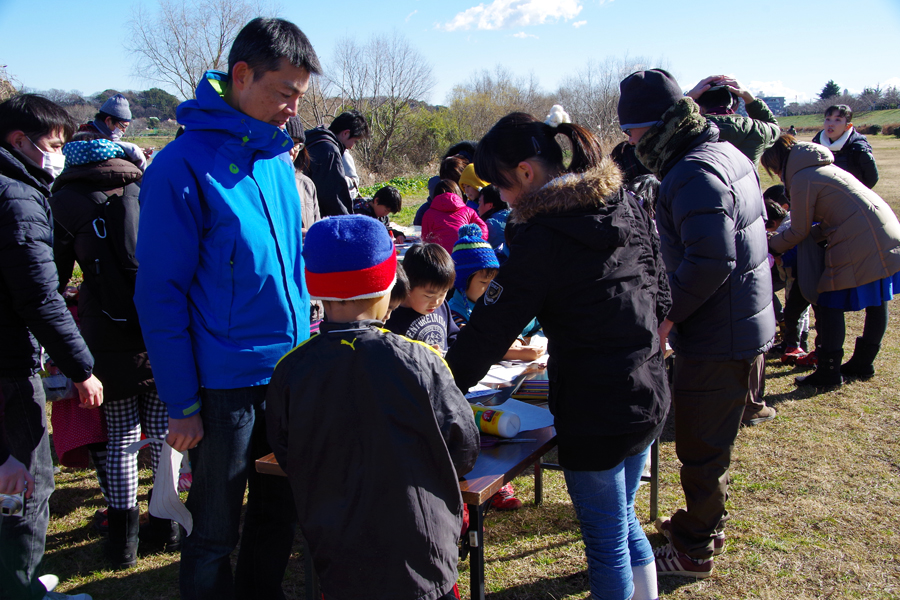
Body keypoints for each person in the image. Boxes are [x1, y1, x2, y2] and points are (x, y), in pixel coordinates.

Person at [445, 110, 670, 600]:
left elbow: (489, 330)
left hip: (598, 408)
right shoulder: (623, 201)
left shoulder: (543, 237)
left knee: (606, 545)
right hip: (647, 389)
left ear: (526, 173)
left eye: (500, 187)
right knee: (624, 519)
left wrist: (438, 385)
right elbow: (661, 291)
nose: (500, 200)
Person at [133, 17, 322, 600]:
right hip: (220, 389)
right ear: (242, 76)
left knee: (277, 511)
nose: (293, 107)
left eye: (299, 96)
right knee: (215, 528)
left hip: (285, 373)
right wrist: (182, 402)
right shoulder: (179, 168)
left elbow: (288, 268)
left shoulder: (275, 160)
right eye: (285, 92)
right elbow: (158, 294)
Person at [266, 215, 480, 600]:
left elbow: (287, 451)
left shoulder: (291, 369)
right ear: (387, 285)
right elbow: (462, 447)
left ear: (317, 290)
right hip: (422, 548)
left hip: (338, 547)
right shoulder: (422, 360)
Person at [617, 69, 775, 577]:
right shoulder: (724, 148)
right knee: (711, 442)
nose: (631, 143)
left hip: (718, 332)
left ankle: (692, 551)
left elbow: (710, 261)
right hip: (738, 321)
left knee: (701, 448)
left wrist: (667, 318)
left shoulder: (692, 172)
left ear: (656, 127)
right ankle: (703, 524)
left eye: (633, 132)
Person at [50, 136, 176, 569]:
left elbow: (54, 274)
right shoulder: (149, 185)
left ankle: (124, 542)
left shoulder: (66, 200)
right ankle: (168, 525)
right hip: (159, 328)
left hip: (106, 334)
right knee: (162, 433)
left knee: (121, 439)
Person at [0, 93, 103, 600]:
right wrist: (81, 367)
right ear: (20, 141)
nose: (59, 153)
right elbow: (39, 297)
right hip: (6, 366)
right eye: (54, 143)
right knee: (25, 481)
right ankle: (21, 590)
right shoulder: (17, 198)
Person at [762, 135, 900, 386]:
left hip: (858, 237)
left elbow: (799, 230)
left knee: (829, 300)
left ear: (780, 164)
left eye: (775, 171)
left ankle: (828, 371)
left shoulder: (803, 177)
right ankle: (862, 363)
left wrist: (769, 245)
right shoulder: (824, 167)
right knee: (878, 299)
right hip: (884, 230)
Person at [684, 75, 781, 165]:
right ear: (736, 105)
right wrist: (749, 97)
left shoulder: (687, 130)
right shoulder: (755, 130)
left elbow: (670, 123)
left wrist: (686, 98)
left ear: (700, 108)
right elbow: (774, 127)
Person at [385, 243, 460, 352]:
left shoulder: (441, 306)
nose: (436, 301)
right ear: (408, 286)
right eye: (428, 296)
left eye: (443, 293)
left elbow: (452, 336)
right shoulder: (392, 318)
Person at [305, 110, 369, 217]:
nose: (352, 146)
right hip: (314, 215)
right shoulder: (329, 150)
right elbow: (333, 195)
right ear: (345, 133)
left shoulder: (312, 139)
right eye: (355, 141)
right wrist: (347, 222)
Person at [811, 104, 878, 188]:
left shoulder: (858, 149)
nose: (831, 124)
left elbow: (871, 179)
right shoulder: (815, 145)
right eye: (828, 119)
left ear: (848, 126)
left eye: (837, 120)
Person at [421, 179, 488, 254]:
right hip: (463, 253)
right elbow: (483, 229)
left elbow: (425, 240)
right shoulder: (468, 211)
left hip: (440, 256)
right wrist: (475, 244)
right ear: (458, 194)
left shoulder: (429, 213)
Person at [285, 116, 320, 237]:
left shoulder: (307, 184)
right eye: (286, 142)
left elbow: (316, 226)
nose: (291, 150)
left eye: (296, 144)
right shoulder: (262, 182)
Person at [475, 185, 510, 259]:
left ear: (490, 205)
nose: (478, 208)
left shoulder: (489, 226)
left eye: (480, 202)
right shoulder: (515, 217)